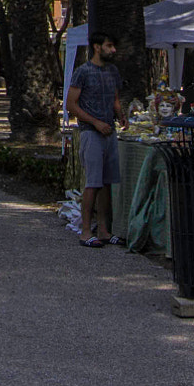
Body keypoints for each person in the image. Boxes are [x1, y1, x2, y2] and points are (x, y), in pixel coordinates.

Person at [67, 33, 124, 247]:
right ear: (97, 47)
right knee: (93, 183)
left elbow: (115, 99)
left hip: (110, 132)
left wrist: (122, 115)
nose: (113, 50)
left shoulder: (113, 71)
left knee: (107, 183)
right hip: (91, 133)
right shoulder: (83, 72)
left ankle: (103, 229)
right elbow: (71, 105)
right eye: (109, 46)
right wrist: (95, 122)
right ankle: (84, 230)